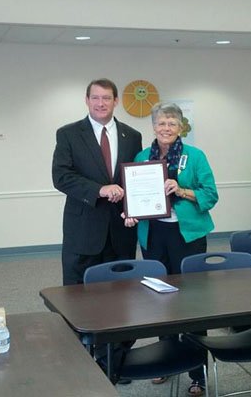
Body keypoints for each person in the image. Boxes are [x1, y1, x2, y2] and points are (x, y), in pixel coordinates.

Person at [123, 102, 218, 397]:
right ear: (153, 126)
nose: (166, 128)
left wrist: (181, 190)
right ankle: (165, 363)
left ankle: (197, 373)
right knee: (160, 299)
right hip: (153, 233)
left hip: (187, 234)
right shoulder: (141, 156)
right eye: (161, 123)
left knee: (191, 302)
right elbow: (133, 192)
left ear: (181, 128)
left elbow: (211, 194)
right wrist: (132, 211)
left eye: (172, 124)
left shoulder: (195, 156)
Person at [52, 78, 142, 286]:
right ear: (86, 100)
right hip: (83, 229)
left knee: (121, 293)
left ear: (116, 101)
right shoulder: (68, 134)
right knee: (77, 296)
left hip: (122, 229)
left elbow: (134, 178)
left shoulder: (132, 136)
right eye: (95, 98)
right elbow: (61, 177)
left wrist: (135, 208)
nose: (100, 103)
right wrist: (100, 189)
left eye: (106, 98)